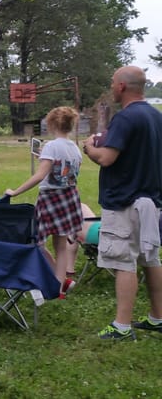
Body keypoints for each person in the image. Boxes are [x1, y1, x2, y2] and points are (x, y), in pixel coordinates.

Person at [82, 65, 162, 340]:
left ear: (122, 87)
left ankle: (122, 326)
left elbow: (106, 158)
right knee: (150, 258)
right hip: (151, 201)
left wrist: (89, 147)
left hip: (125, 201)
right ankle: (157, 317)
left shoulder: (126, 118)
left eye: (113, 82)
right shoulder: (155, 116)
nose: (112, 87)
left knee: (123, 261)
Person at [5, 106, 84, 297]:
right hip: (70, 197)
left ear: (51, 124)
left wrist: (15, 192)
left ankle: (50, 280)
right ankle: (58, 287)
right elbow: (65, 172)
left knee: (38, 242)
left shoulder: (51, 146)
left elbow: (41, 176)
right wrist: (44, 158)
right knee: (61, 245)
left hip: (51, 199)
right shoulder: (75, 148)